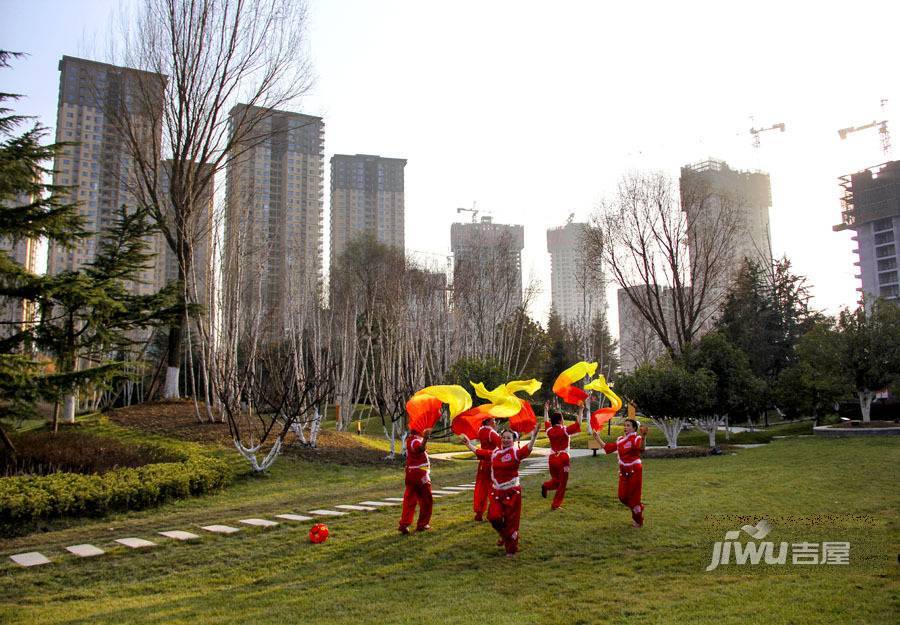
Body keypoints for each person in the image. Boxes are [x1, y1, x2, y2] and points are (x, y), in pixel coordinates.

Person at [460, 426, 539, 556]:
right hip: (497, 492)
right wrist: (468, 444)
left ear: (513, 440)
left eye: (508, 438)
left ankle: (511, 550)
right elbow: (482, 453)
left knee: (511, 522)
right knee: (493, 517)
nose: (505, 440)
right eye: (503, 437)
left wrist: (534, 437)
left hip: (512, 492)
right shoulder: (495, 453)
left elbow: (527, 449)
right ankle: (507, 536)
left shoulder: (515, 453)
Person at [592, 419, 648, 528]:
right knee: (622, 497)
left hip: (635, 471)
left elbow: (642, 448)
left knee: (634, 499)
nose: (625, 427)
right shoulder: (620, 440)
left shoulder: (636, 438)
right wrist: (597, 438)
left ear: (634, 428)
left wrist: (644, 436)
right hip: (623, 472)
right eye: (625, 425)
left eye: (628, 426)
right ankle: (638, 508)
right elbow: (608, 448)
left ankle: (638, 520)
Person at [541, 401, 582, 510]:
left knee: (556, 479)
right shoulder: (564, 430)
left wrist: (545, 410)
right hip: (563, 458)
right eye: (562, 418)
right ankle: (555, 505)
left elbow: (546, 421)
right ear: (560, 420)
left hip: (552, 458)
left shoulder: (549, 430)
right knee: (562, 483)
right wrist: (581, 410)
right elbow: (579, 424)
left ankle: (546, 485)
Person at [398, 427, 433, 534]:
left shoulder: (410, 439)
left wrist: (425, 438)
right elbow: (420, 448)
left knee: (409, 500)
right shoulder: (415, 440)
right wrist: (426, 438)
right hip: (420, 475)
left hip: (410, 473)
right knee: (426, 500)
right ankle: (422, 524)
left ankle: (404, 524)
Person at [473, 417, 502, 521]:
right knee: (493, 488)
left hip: (482, 462)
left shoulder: (481, 430)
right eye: (493, 420)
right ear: (488, 421)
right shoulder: (491, 433)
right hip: (491, 461)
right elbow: (501, 445)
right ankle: (493, 512)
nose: (495, 421)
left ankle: (479, 513)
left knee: (481, 487)